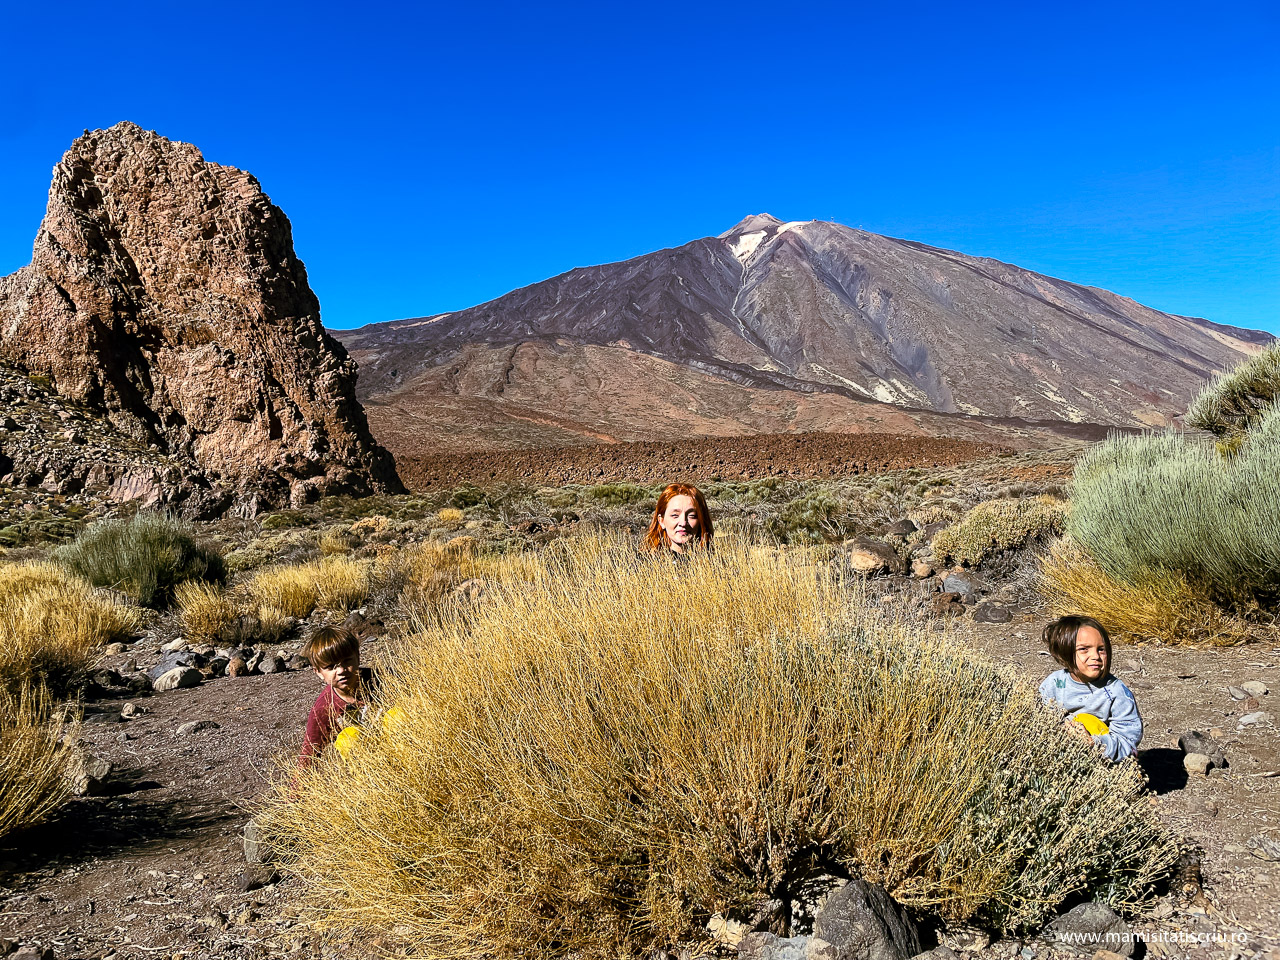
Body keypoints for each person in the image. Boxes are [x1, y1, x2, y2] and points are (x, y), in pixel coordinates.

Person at [1038, 615, 1142, 761]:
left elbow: (1128, 741)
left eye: (1101, 649)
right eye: (1084, 649)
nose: (1095, 656)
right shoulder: (1054, 684)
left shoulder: (1115, 691)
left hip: (1104, 763)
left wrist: (1095, 744)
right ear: (1064, 654)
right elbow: (1039, 722)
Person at [297, 625, 377, 766]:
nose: (341, 670)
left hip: (400, 749)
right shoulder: (323, 709)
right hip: (364, 768)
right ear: (318, 672)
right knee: (350, 739)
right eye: (330, 667)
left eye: (346, 661)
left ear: (358, 657)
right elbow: (309, 756)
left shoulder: (383, 679)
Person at [643, 483, 714, 557]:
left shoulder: (716, 561)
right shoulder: (645, 563)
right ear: (661, 521)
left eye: (692, 516)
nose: (683, 523)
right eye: (675, 515)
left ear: (701, 520)